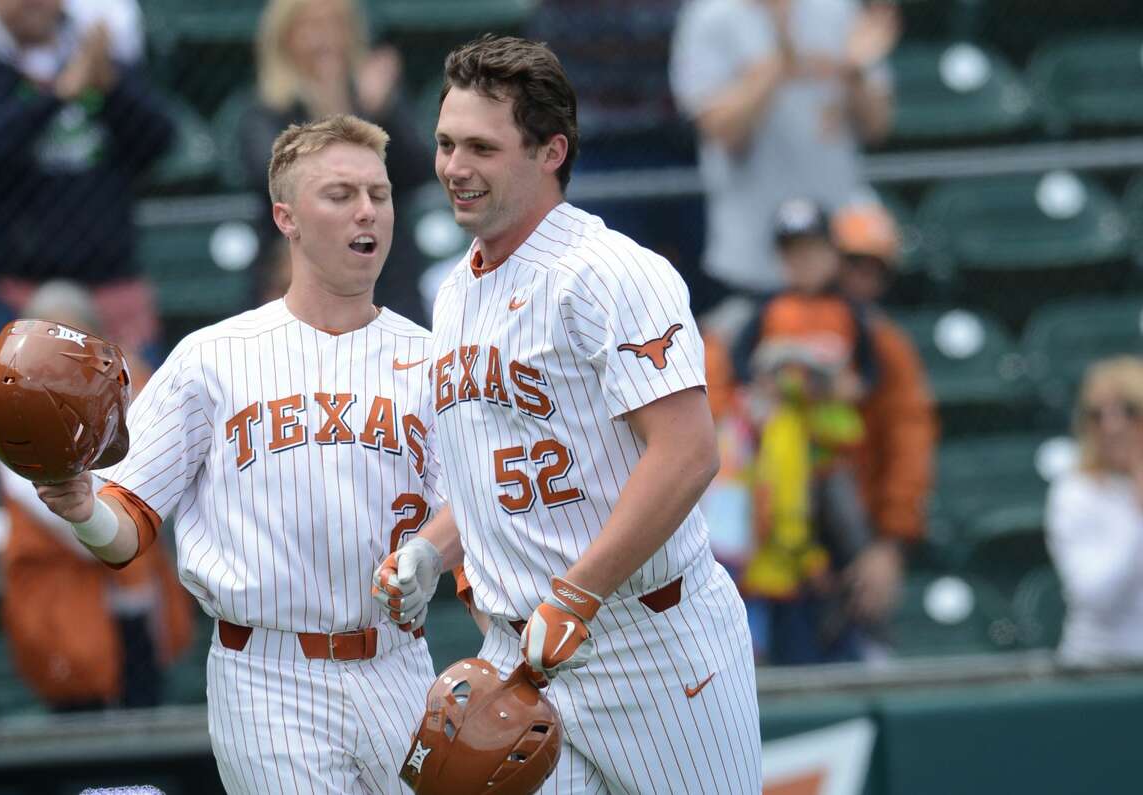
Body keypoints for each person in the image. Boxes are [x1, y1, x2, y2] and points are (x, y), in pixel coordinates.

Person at [374, 35, 761, 794]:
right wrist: (431, 547)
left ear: (551, 151)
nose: (454, 166)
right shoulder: (455, 290)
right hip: (517, 657)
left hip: (652, 644)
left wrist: (577, 591)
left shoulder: (611, 272)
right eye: (448, 143)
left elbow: (687, 452)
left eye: (482, 147)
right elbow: (501, 471)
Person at [34, 115, 443, 793]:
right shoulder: (211, 358)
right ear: (286, 217)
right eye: (339, 194)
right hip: (268, 672)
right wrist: (82, 507)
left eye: (380, 192)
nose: (367, 209)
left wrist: (436, 549)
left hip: (400, 663)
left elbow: (471, 507)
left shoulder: (431, 358)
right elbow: (126, 524)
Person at [0, 0, 173, 518]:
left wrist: (107, 84)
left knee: (145, 463)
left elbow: (160, 140)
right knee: (21, 477)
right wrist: (60, 95)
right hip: (13, 302)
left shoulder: (101, 55)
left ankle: (139, 588)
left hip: (112, 298)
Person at [0, 280, 194, 712]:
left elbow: (156, 489)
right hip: (67, 605)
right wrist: (108, 518)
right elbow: (63, 512)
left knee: (144, 720)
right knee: (80, 726)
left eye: (68, 338)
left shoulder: (133, 388)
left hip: (139, 602)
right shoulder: (7, 404)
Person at [669, 0, 899, 306]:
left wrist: (853, 72)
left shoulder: (838, 8)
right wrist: (780, 58)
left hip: (841, 246)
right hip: (751, 254)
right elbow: (723, 132)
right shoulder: (711, 15)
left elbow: (877, 128)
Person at [731, 197, 876, 664]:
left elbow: (870, 378)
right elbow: (740, 368)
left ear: (834, 254)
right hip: (780, 464)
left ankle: (859, 624)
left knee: (850, 541)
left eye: (813, 251)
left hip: (833, 458)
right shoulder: (769, 311)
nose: (804, 263)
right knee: (782, 552)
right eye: (793, 253)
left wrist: (838, 389)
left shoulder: (851, 313)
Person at [236, 0, 434, 323]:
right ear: (285, 39)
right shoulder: (263, 111)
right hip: (296, 272)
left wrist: (379, 111)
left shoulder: (378, 100)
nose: (324, 39)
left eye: (335, 25)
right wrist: (343, 109)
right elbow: (278, 175)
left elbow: (417, 169)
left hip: (384, 273)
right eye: (311, 27)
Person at [833, 200, 936, 633]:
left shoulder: (889, 349)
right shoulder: (760, 323)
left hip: (854, 539)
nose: (862, 278)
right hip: (765, 541)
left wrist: (890, 546)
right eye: (853, 263)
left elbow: (909, 447)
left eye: (876, 269)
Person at [1045, 357, 1143, 665]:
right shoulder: (1074, 492)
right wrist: (1139, 518)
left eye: (1128, 411)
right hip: (1098, 671)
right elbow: (1095, 596)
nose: (1112, 426)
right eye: (1097, 414)